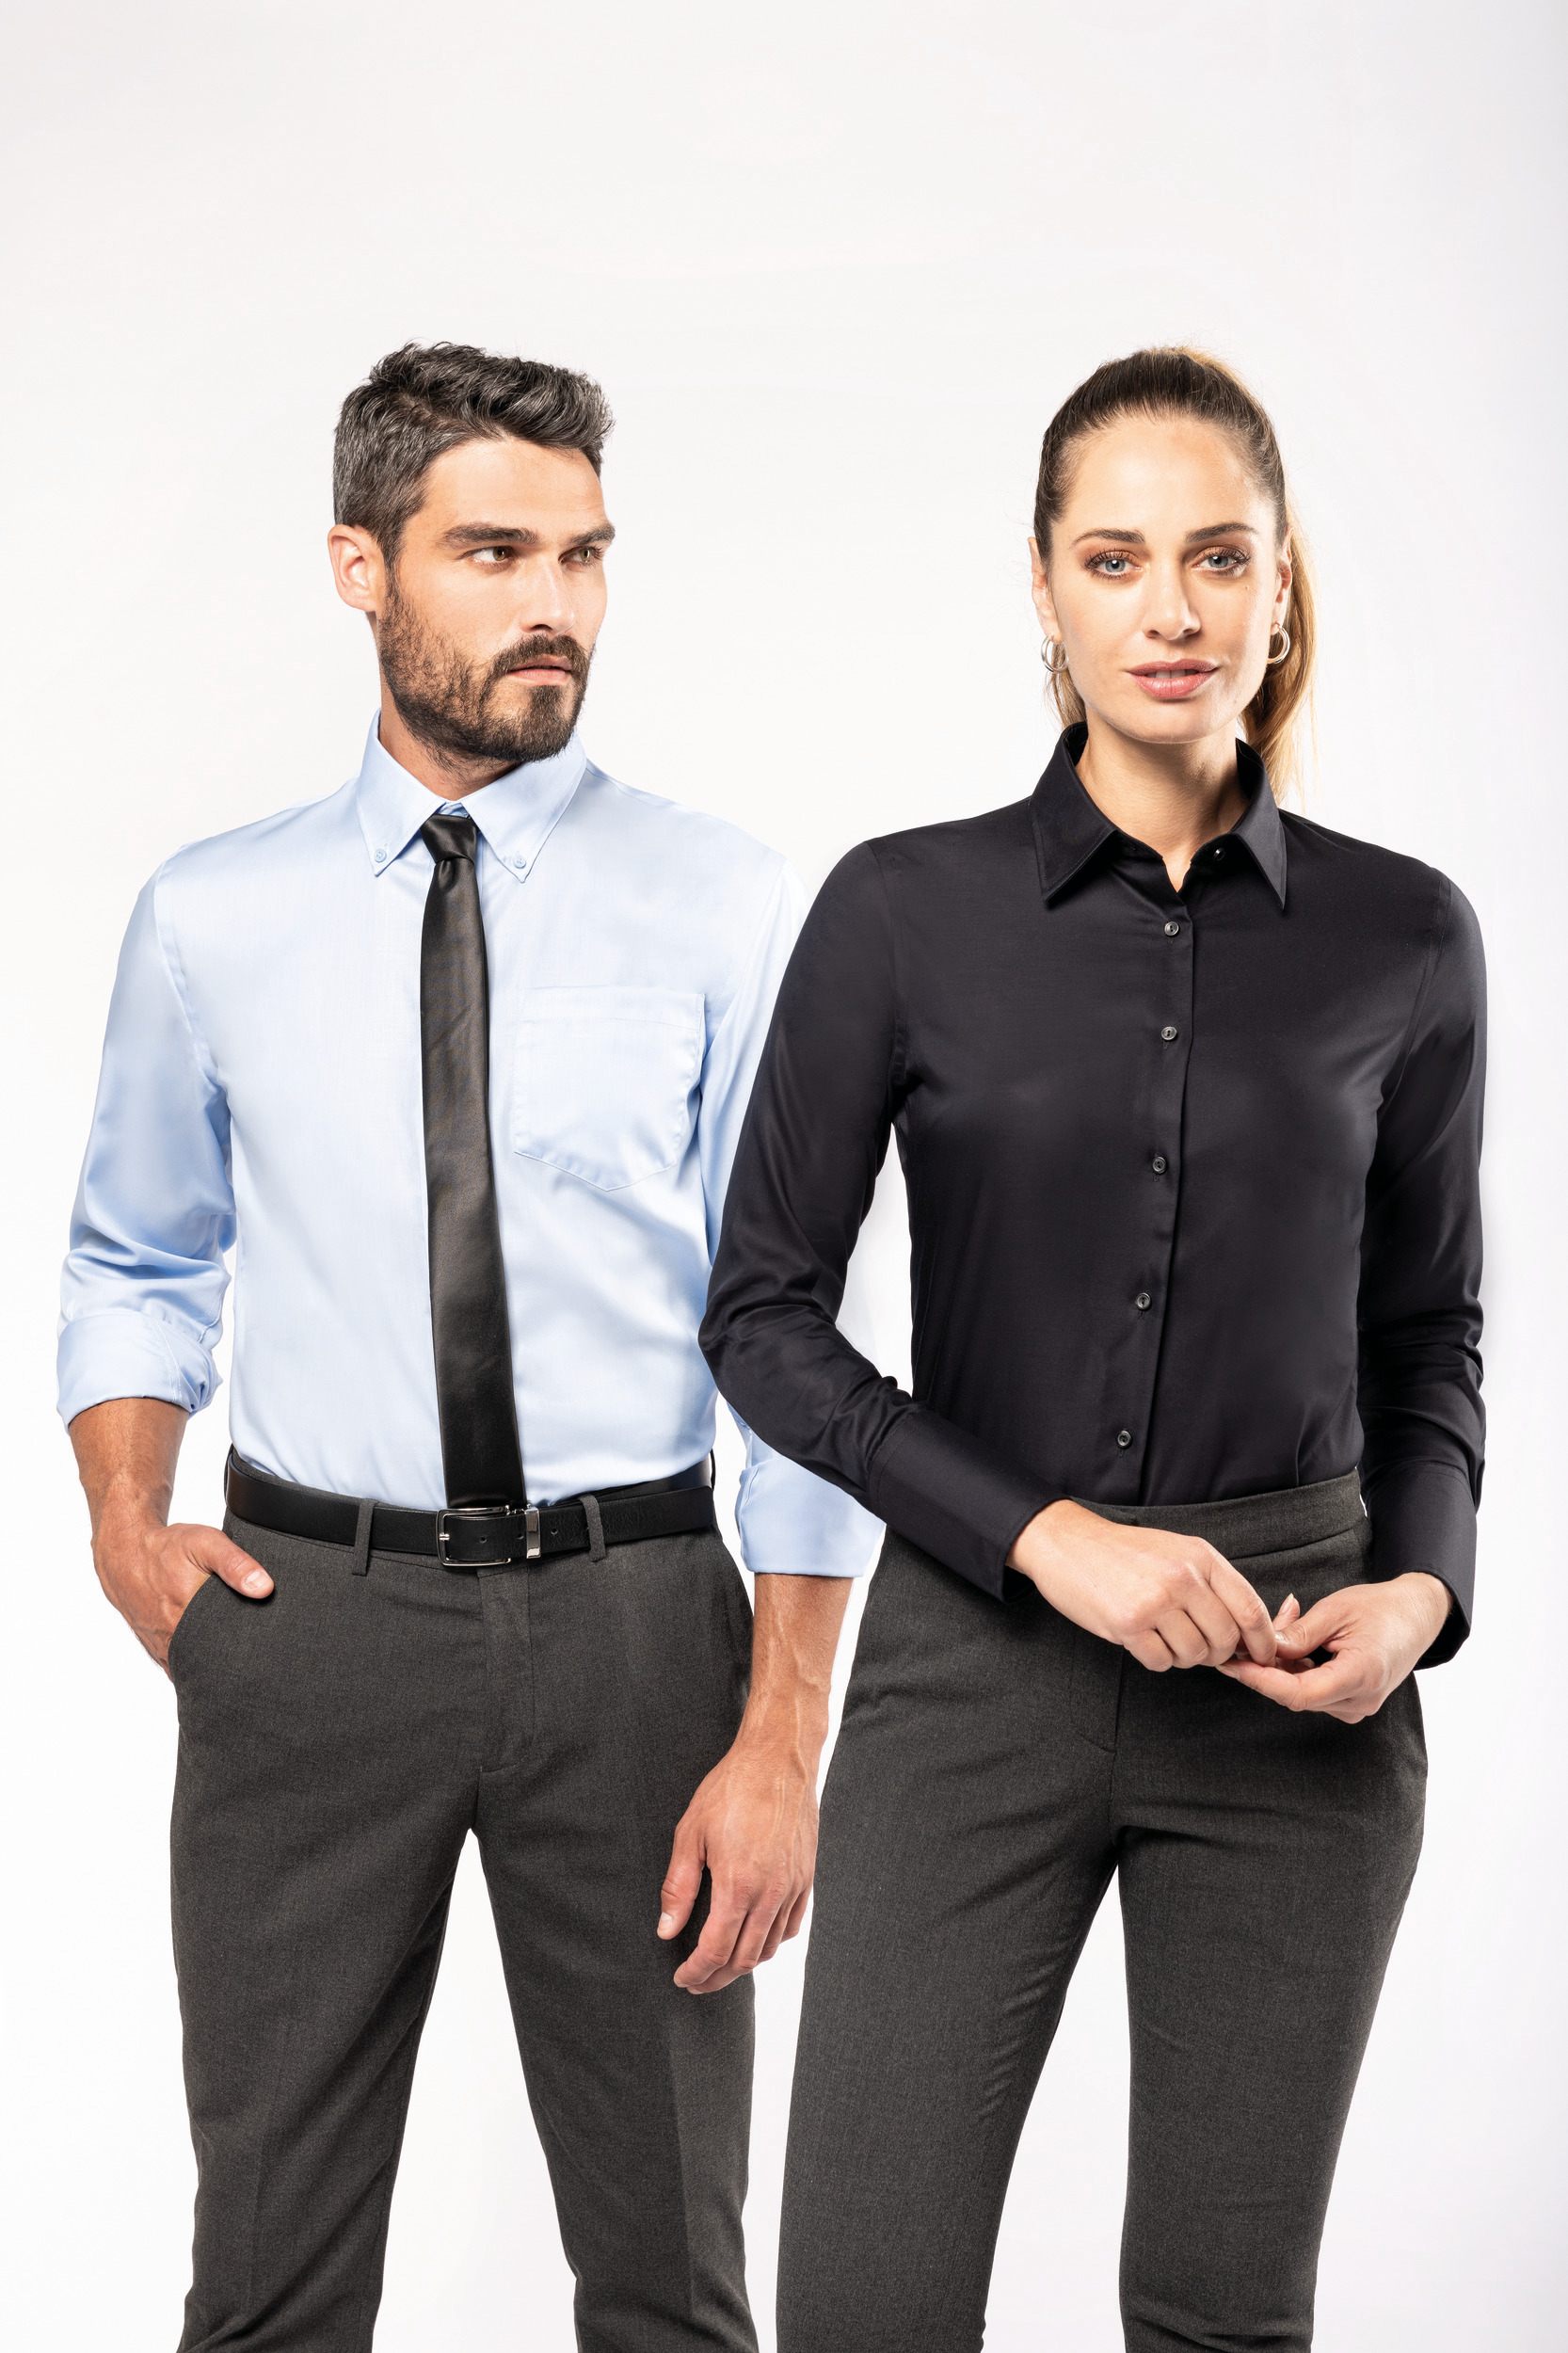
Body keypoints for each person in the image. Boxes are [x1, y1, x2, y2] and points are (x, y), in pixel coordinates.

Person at [58, 341, 869, 2353]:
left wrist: (781, 1733)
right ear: (361, 566)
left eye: (583, 555)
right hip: (307, 1622)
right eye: (494, 552)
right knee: (269, 2281)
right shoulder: (211, 917)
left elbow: (804, 1337)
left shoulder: (723, 904)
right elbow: (137, 1253)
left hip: (638, 1625)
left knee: (673, 2281)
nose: (553, 603)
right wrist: (129, 1525)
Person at [701, 346, 1484, 2353]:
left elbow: (1426, 1333)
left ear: (1280, 585)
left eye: (1217, 556)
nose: (1169, 607)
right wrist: (1042, 1534)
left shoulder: (1405, 936)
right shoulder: (900, 910)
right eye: (1115, 558)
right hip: (976, 1659)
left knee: (1222, 2317)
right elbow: (761, 1313)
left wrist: (1416, 1592)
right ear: (1042, 589)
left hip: (1295, 1684)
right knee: (863, 2307)